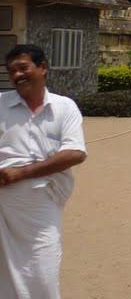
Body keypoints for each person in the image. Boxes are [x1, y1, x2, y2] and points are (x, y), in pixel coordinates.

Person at [1, 43, 88, 298]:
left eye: (23, 67)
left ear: (43, 67)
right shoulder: (0, 104)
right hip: (4, 209)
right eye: (11, 71)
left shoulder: (64, 107)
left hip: (43, 208)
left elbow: (75, 153)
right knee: (4, 277)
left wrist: (19, 173)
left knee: (43, 272)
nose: (17, 75)